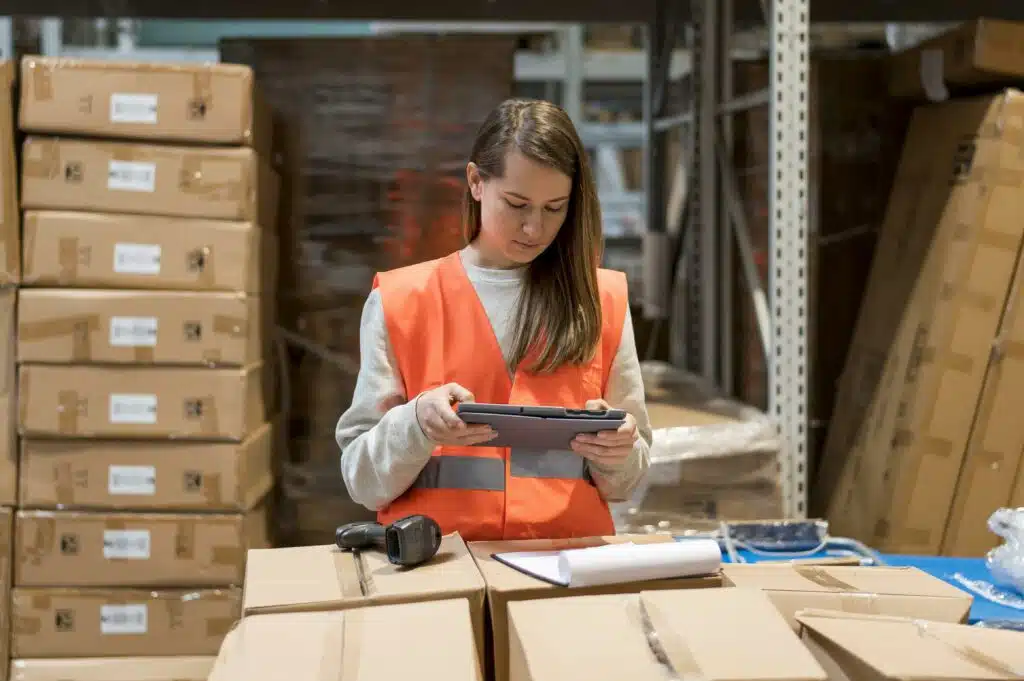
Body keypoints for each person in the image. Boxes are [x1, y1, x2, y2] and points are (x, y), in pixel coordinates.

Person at [336, 98, 652, 542]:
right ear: (475, 182)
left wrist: (617, 451)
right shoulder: (401, 299)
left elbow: (625, 483)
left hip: (566, 578)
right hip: (439, 574)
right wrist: (417, 426)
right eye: (517, 204)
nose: (534, 229)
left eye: (554, 207)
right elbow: (362, 482)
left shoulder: (602, 301)